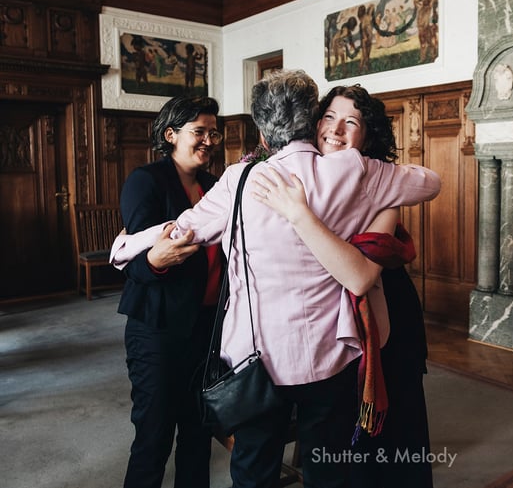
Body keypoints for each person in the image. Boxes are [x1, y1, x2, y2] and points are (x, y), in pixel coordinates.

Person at [110, 69, 441, 488]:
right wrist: (379, 172)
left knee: (253, 469)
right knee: (328, 469)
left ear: (263, 133)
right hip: (329, 355)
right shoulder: (356, 171)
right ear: (313, 120)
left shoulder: (240, 179)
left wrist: (124, 247)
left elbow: (181, 229)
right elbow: (431, 182)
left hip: (256, 359)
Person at [253, 84, 434, 487]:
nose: (335, 129)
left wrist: (300, 215)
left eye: (351, 122)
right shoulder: (302, 175)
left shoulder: (381, 188)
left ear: (367, 136)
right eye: (329, 118)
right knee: (337, 439)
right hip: (329, 327)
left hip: (379, 317)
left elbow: (360, 275)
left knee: (387, 435)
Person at [117, 95, 225, 488]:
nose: (209, 140)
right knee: (154, 436)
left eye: (214, 132)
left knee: (198, 437)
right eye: (199, 131)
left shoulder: (215, 186)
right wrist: (156, 261)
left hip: (207, 330)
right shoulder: (146, 181)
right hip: (158, 330)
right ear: (170, 134)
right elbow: (133, 262)